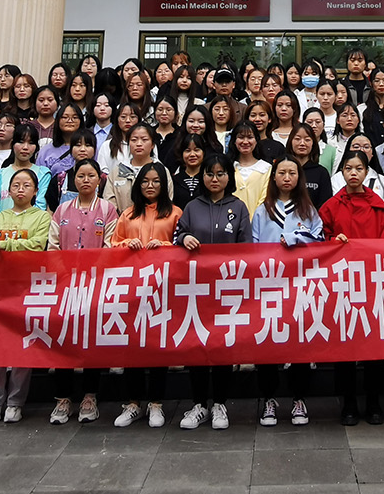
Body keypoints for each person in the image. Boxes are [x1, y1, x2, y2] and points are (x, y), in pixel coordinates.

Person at [174, 153, 251, 430]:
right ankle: (198, 405)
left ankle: (219, 403)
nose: (214, 179)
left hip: (227, 288)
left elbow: (246, 246)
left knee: (222, 346)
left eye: (220, 173)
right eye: (209, 174)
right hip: (196, 288)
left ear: (229, 177)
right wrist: (185, 237)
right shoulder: (192, 206)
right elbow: (177, 235)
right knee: (197, 345)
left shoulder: (238, 207)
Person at [320, 147, 384, 425]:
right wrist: (333, 243)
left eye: (359, 169)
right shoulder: (331, 206)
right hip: (341, 284)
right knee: (345, 346)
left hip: (372, 284)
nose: (353, 173)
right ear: (342, 172)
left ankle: (374, 402)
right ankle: (348, 403)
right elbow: (321, 240)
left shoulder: (379, 206)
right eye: (348, 168)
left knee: (374, 347)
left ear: (366, 172)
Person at [0, 168, 52, 423]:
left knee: (22, 346)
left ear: (36, 191)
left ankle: (16, 402)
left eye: (26, 185)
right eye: (16, 185)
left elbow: (38, 245)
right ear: (8, 191)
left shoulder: (41, 218)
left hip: (26, 289)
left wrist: (8, 245)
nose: (20, 189)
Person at [252, 155, 322, 426]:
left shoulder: (308, 210)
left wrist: (294, 238)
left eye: (292, 173)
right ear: (274, 177)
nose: (287, 178)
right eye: (281, 172)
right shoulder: (263, 210)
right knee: (267, 343)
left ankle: (298, 399)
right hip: (269, 285)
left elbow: (319, 239)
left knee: (299, 343)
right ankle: (269, 399)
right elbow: (252, 247)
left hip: (299, 285)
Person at [111, 163, 181, 428]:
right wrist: (126, 244)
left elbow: (182, 246)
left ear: (164, 185)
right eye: (145, 181)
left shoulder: (174, 213)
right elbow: (112, 245)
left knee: (157, 346)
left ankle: (156, 404)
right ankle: (133, 403)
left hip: (163, 289)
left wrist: (164, 246)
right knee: (132, 346)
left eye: (156, 181)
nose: (150, 186)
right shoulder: (127, 214)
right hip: (132, 290)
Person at [47, 158, 117, 425]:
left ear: (99, 179)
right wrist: (63, 275)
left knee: (91, 341)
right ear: (73, 179)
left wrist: (92, 275)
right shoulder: (62, 209)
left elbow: (110, 247)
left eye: (90, 175)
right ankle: (62, 398)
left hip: (95, 285)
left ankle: (90, 397)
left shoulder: (107, 209)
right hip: (65, 285)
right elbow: (53, 247)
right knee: (64, 339)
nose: (85, 180)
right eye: (80, 176)